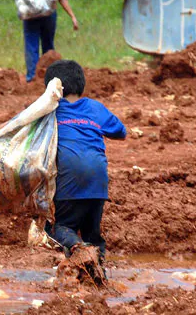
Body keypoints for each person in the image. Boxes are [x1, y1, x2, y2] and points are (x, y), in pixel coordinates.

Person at [42, 60, 126, 266]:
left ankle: (80, 250)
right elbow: (121, 132)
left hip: (69, 181)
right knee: (92, 234)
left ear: (52, 88)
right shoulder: (95, 108)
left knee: (60, 228)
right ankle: (99, 274)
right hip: (98, 183)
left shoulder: (49, 110)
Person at [23, 0, 78, 82]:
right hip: (49, 16)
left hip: (30, 15)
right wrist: (73, 16)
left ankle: (32, 76)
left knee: (31, 45)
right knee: (48, 46)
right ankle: (50, 77)